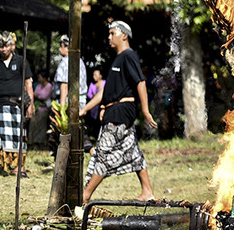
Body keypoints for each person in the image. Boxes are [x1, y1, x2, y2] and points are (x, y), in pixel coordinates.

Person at [80, 21, 157, 203]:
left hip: (120, 113)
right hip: (115, 110)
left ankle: (86, 194)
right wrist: (86, 108)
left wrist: (145, 111)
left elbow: (140, 82)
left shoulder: (128, 56)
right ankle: (147, 192)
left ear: (124, 35)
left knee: (103, 154)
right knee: (133, 153)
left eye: (112, 33)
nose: (109, 37)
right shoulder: (118, 59)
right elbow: (105, 92)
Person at [0, 31, 34, 175]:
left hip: (15, 106)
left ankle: (20, 168)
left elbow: (28, 83)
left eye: (6, 46)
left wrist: (30, 104)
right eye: (0, 47)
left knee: (18, 138)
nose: (4, 50)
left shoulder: (20, 61)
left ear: (11, 45)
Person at [55, 34, 88, 108]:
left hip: (68, 102)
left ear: (65, 46)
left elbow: (64, 85)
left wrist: (62, 109)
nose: (60, 48)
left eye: (61, 45)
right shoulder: (80, 61)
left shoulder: (65, 62)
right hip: (81, 102)